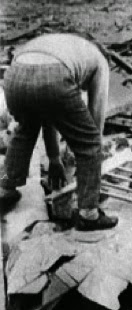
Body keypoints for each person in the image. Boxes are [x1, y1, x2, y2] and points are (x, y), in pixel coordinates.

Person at [0, 33, 118, 230]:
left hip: (15, 75)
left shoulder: (70, 47)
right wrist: (90, 167)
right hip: (54, 75)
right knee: (90, 142)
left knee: (26, 129)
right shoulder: (100, 62)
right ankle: (89, 214)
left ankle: (5, 188)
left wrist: (54, 159)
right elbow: (96, 119)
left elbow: (49, 113)